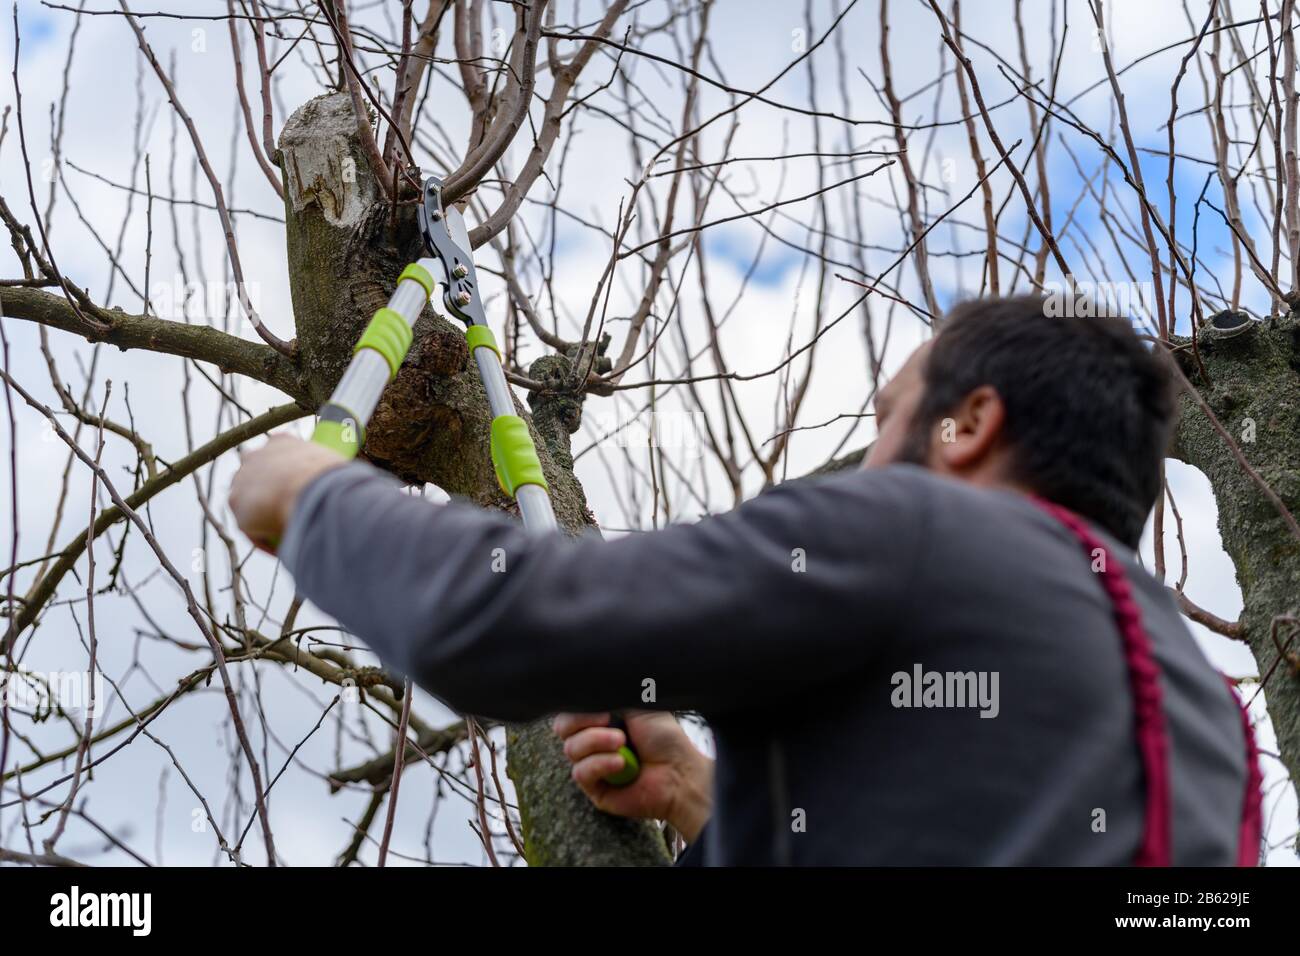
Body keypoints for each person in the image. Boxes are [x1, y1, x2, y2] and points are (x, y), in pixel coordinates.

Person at [228, 295, 1259, 865]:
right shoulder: (1206, 721)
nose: (868, 459)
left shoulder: (918, 524)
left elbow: (501, 620)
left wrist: (314, 501)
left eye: (885, 414)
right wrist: (697, 793)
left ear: (971, 423)